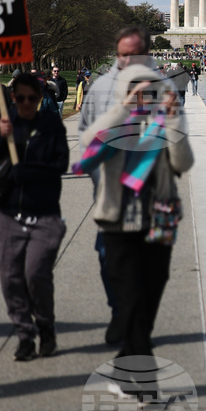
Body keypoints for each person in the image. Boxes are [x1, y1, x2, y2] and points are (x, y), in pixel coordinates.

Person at [75, 64, 193, 366]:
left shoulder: (164, 123)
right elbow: (89, 145)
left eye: (148, 91)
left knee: (152, 293)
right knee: (130, 297)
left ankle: (129, 353)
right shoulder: (113, 123)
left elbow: (183, 163)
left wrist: (174, 118)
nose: (143, 97)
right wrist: (124, 109)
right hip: (118, 220)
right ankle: (142, 378)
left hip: (159, 218)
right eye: (134, 91)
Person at [80, 25, 176, 345]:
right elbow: (88, 143)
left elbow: (179, 154)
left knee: (156, 276)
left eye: (135, 54)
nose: (128, 60)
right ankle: (123, 317)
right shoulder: (100, 88)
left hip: (159, 203)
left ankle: (134, 327)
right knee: (113, 264)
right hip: (115, 198)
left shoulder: (165, 89)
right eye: (123, 55)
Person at [0, 73, 70, 360]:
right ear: (13, 99)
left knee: (35, 274)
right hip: (10, 212)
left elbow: (61, 163)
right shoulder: (6, 126)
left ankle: (45, 325)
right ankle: (25, 335)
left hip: (44, 213)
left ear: (40, 99)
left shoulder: (51, 125)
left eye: (33, 98)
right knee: (11, 279)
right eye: (20, 98)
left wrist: (29, 172)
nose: (26, 103)